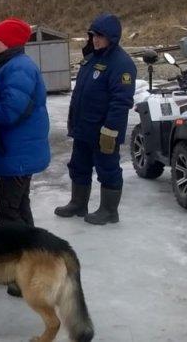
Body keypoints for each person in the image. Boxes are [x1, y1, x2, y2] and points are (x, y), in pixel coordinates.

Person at [0, 18, 51, 297]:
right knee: (19, 207)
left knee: (9, 211)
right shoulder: (13, 66)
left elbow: (7, 112)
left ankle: (19, 273)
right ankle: (33, 264)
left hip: (18, 152)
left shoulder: (18, 69)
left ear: (10, 42)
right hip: (18, 151)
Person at [55, 13, 136, 225]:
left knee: (107, 169)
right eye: (93, 35)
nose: (95, 40)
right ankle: (78, 203)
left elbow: (121, 101)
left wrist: (110, 131)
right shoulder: (91, 58)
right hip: (84, 128)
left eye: (100, 36)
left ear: (112, 37)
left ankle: (109, 211)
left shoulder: (121, 63)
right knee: (78, 166)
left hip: (104, 131)